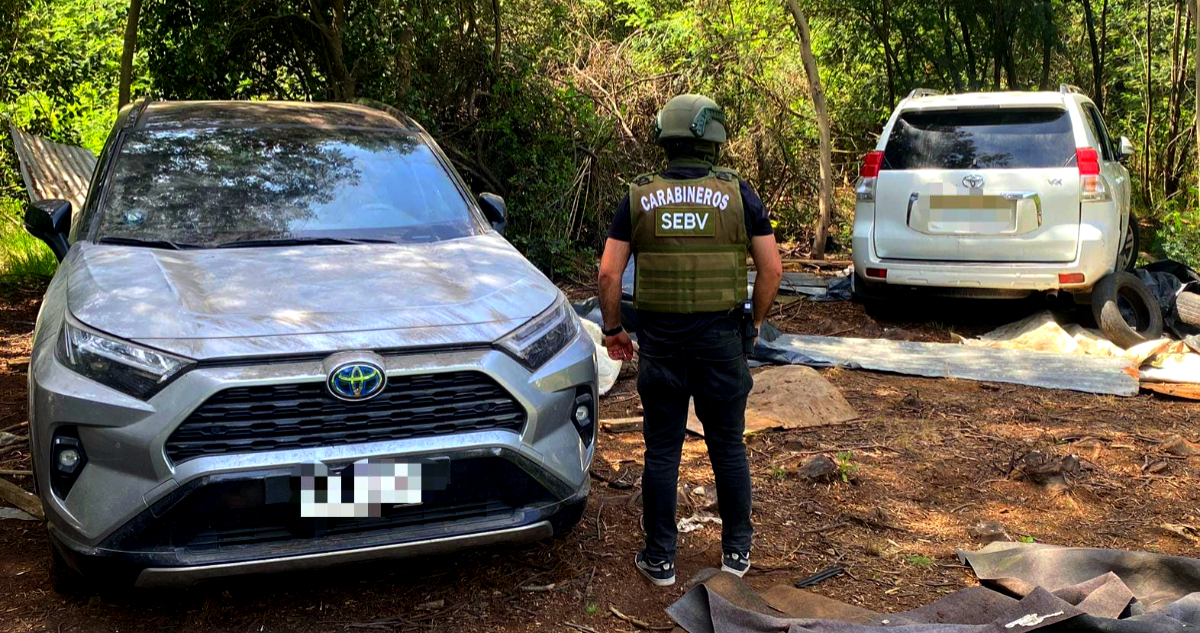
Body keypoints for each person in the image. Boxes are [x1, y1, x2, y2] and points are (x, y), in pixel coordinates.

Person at [597, 94, 782, 587]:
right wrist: (755, 323)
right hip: (721, 340)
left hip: (661, 342)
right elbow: (772, 268)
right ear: (714, 141)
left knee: (662, 450)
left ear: (666, 139)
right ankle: (737, 554)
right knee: (727, 445)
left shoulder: (637, 195)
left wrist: (614, 330)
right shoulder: (738, 193)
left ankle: (659, 559)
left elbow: (608, 274)